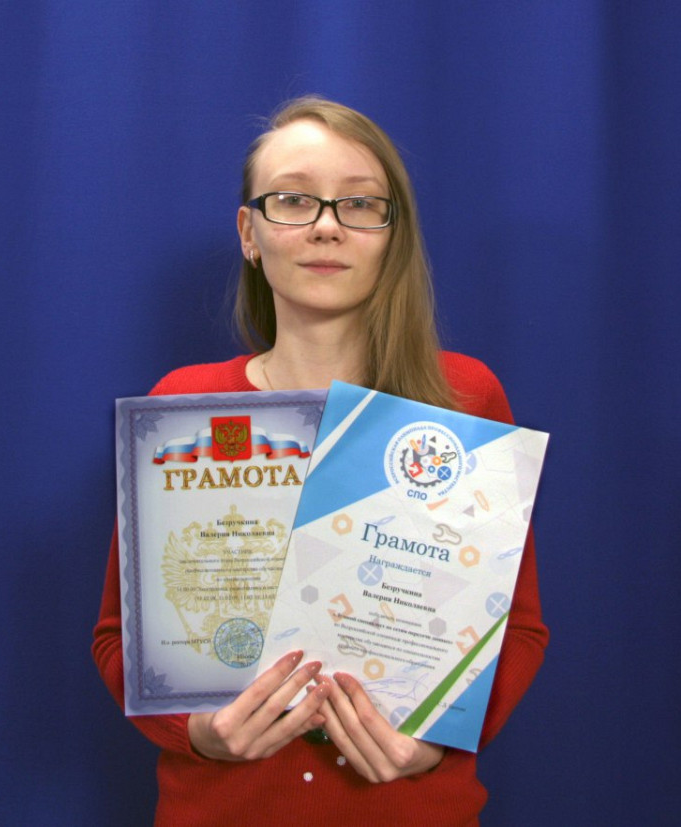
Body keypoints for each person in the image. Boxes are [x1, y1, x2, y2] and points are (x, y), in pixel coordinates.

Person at [92, 95, 548, 826]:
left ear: (391, 236)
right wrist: (196, 732)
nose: (327, 225)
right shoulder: (183, 410)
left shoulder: (462, 398)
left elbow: (516, 629)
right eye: (293, 200)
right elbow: (120, 640)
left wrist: (433, 742)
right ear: (250, 233)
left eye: (359, 204)